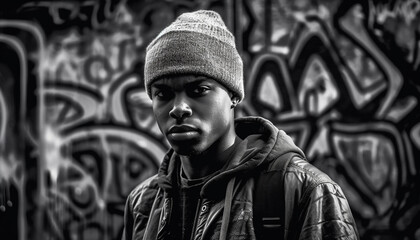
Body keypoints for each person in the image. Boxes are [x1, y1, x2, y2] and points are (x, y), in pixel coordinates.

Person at [122, 10, 359, 240]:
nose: (179, 108)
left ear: (233, 96)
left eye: (199, 90)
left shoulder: (303, 191)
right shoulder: (143, 202)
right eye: (162, 94)